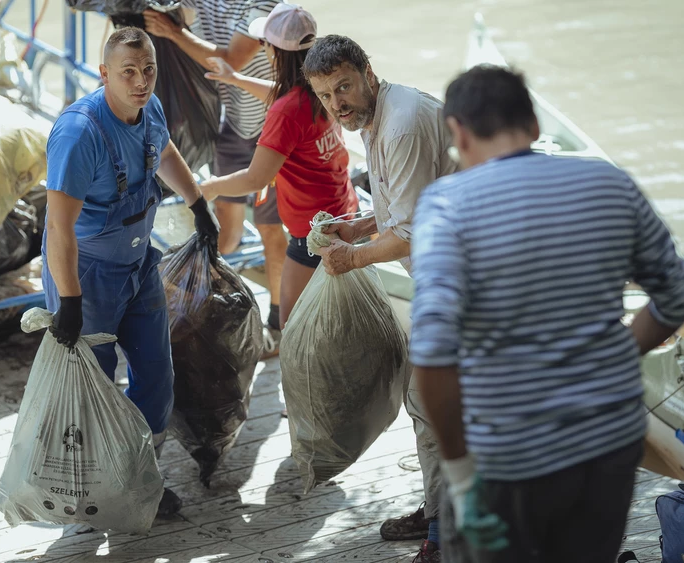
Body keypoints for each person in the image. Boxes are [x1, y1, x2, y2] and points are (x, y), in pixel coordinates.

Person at [409, 65, 684, 563]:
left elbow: (433, 352)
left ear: (457, 131)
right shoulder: (609, 183)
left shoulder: (448, 204)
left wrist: (458, 474)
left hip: (508, 457)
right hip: (609, 441)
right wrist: (615, 355)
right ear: (536, 126)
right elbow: (677, 296)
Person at [42, 27, 219, 517]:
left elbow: (163, 152)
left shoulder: (150, 109)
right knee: (93, 391)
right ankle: (96, 487)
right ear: (103, 74)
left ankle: (141, 479)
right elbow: (59, 228)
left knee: (157, 378)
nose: (141, 82)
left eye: (149, 71)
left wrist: (197, 202)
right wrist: (70, 300)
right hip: (88, 274)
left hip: (140, 264)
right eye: (128, 73)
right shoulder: (79, 134)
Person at [302, 35, 457, 563]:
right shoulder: (376, 118)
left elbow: (412, 234)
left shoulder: (402, 123)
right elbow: (399, 207)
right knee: (428, 407)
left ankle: (447, 534)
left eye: (343, 86)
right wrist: (357, 226)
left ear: (368, 73)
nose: (337, 103)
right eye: (325, 95)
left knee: (435, 405)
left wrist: (354, 257)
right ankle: (439, 511)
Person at [197, 3, 357, 328]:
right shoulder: (322, 89)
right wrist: (236, 79)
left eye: (264, 44)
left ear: (274, 52)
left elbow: (257, 177)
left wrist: (210, 187)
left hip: (313, 235)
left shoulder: (285, 112)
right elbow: (285, 98)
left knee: (292, 325)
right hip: (344, 214)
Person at [144, 0, 288, 358]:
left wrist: (173, 32)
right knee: (226, 232)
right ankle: (203, 314)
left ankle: (277, 324)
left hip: (273, 128)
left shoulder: (264, 5)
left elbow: (231, 60)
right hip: (233, 128)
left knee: (271, 230)